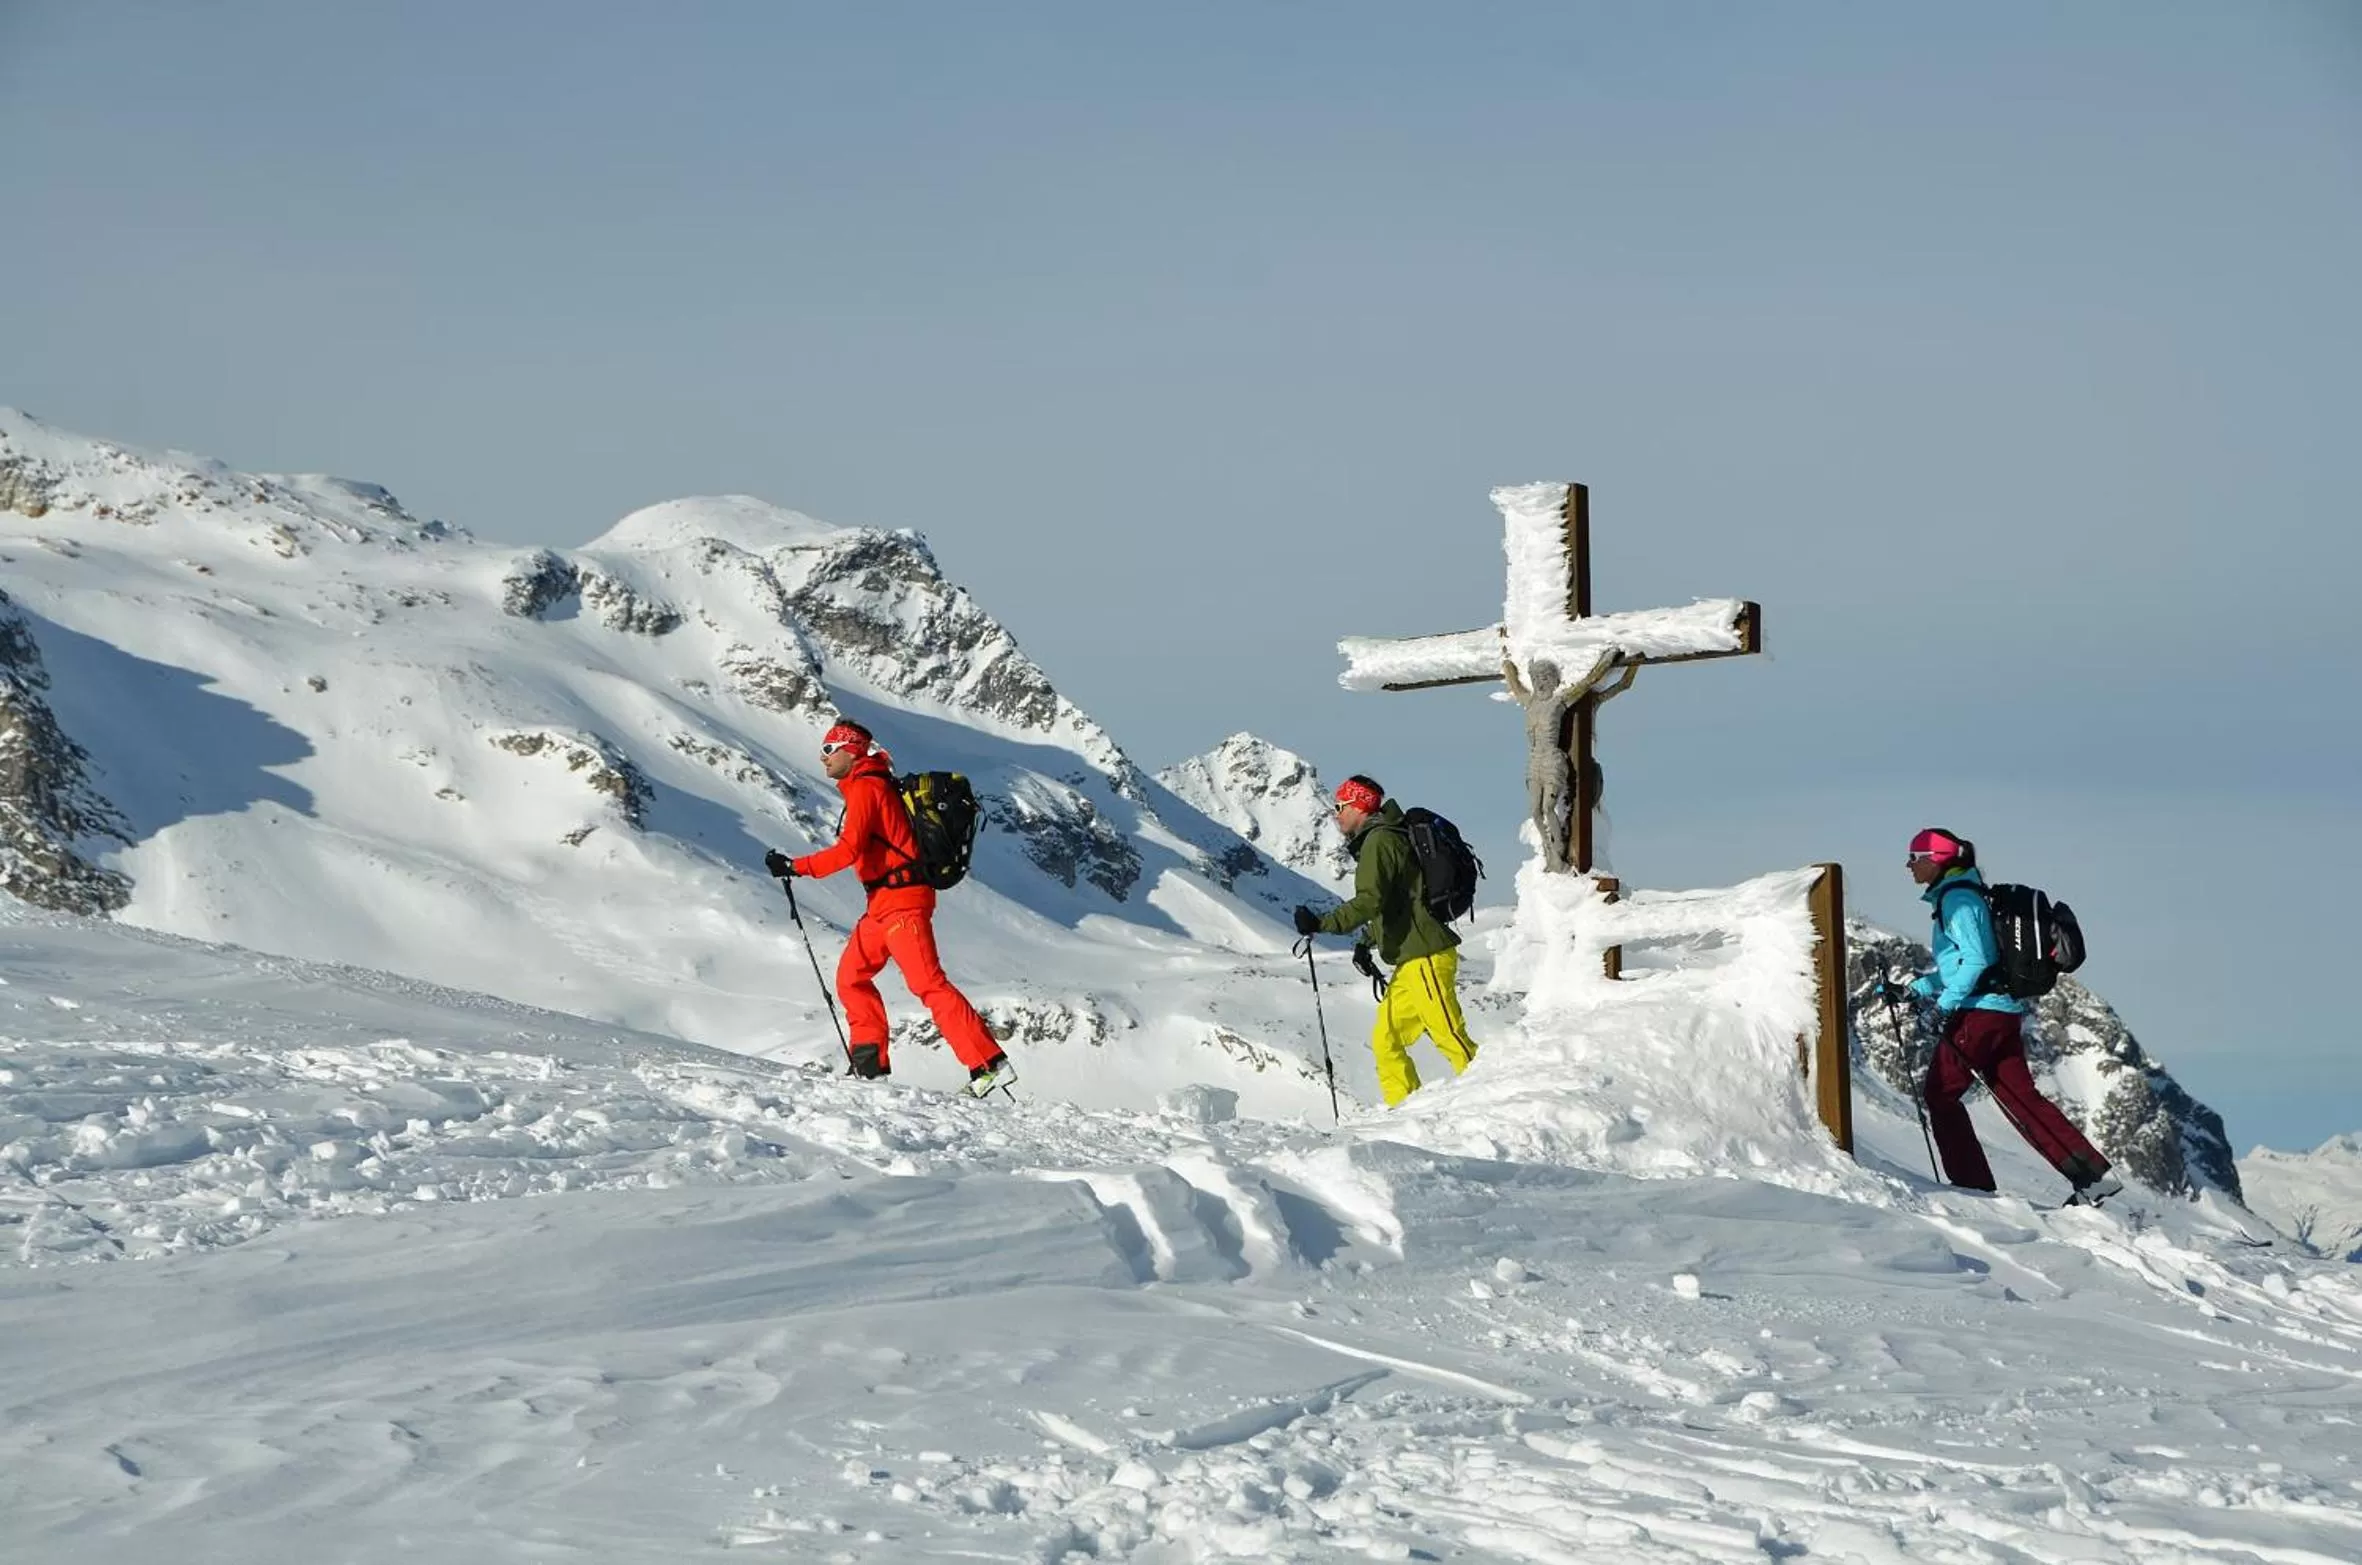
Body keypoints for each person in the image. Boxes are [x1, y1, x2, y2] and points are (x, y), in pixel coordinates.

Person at [763, 720, 1014, 1096]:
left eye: (829, 750)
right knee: (852, 977)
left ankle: (989, 1064)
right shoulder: (864, 785)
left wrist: (795, 867)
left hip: (903, 903)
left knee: (928, 984)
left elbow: (848, 851)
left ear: (851, 751)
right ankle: (869, 1069)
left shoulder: (867, 787)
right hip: (883, 904)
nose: (822, 757)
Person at [1903, 827, 2118, 1202]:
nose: (1909, 865)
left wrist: (1944, 1006)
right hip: (2000, 1012)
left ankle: (1972, 1188)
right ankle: (2091, 1177)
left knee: (1940, 1094)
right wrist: (1918, 988)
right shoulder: (1965, 895)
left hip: (1978, 1014)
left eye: (1915, 857)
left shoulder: (1958, 902)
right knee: (2020, 1098)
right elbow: (1963, 962)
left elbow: (1979, 958)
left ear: (1937, 860)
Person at [1294, 775, 1478, 1107]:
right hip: (1411, 960)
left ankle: (1491, 1094)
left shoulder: (1378, 841)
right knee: (1386, 1040)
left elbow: (1370, 901)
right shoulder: (1380, 839)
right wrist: (1367, 941)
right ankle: (1404, 1111)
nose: (1336, 814)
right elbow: (1397, 901)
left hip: (1425, 956)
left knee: (1448, 1034)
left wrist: (1321, 923)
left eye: (1340, 806)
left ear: (1359, 804)